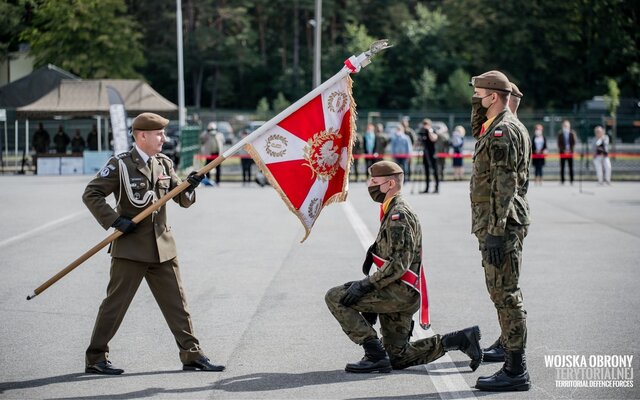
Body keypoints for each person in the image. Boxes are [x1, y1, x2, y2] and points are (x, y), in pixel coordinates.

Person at [82, 112, 224, 375]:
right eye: (159, 134)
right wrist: (114, 220)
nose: (164, 138)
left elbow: (181, 199)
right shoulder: (120, 165)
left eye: (163, 133)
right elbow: (91, 193)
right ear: (142, 135)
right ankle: (96, 357)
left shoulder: (164, 163)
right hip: (131, 249)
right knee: (115, 305)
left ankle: (192, 355)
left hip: (163, 247)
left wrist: (190, 186)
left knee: (178, 305)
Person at [325, 160, 482, 374]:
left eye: (374, 181)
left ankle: (374, 355)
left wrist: (365, 286)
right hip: (398, 290)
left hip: (399, 292)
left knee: (335, 296)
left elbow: (399, 265)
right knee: (398, 357)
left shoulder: (399, 215)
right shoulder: (391, 210)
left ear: (390, 184)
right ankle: (459, 340)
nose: (369, 185)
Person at [469, 70, 532, 391]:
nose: (475, 100)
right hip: (499, 222)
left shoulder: (503, 132)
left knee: (506, 294)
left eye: (479, 94)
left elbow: (504, 185)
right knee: (501, 291)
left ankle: (515, 369)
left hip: (502, 224)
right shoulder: (496, 127)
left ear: (494, 97)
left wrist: (494, 230)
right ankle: (510, 355)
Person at [417, 119, 439, 193]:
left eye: (426, 124)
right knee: (426, 171)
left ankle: (437, 187)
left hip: (432, 154)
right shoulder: (423, 132)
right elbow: (418, 143)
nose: (425, 126)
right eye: (424, 124)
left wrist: (429, 130)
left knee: (434, 170)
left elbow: (433, 139)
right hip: (425, 154)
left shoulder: (433, 131)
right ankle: (427, 188)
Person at [557, 119, 578, 185]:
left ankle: (572, 180)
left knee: (571, 167)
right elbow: (559, 143)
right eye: (564, 125)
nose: (565, 127)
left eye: (567, 125)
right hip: (562, 152)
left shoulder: (572, 133)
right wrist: (564, 150)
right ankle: (562, 180)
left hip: (570, 152)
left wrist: (570, 150)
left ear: (569, 126)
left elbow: (574, 143)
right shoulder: (560, 134)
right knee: (562, 167)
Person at [401, 116, 417, 181]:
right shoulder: (400, 131)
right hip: (401, 151)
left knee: (409, 164)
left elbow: (414, 141)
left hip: (408, 151)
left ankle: (409, 177)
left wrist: (411, 149)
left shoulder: (410, 132)